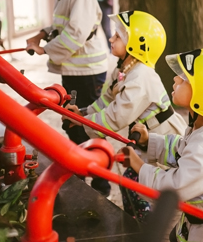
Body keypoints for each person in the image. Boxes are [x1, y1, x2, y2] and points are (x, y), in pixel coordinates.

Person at [120, 48, 203, 242]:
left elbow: (174, 188)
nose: (175, 80)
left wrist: (139, 166)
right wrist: (150, 141)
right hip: (199, 220)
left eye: (184, 79)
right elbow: (180, 148)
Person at [63, 10, 187, 200]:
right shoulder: (124, 69)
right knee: (134, 183)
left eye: (118, 36)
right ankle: (142, 220)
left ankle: (149, 224)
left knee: (149, 187)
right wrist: (81, 112)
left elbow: (115, 116)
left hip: (163, 134)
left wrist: (81, 121)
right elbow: (106, 100)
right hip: (147, 133)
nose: (111, 39)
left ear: (138, 44)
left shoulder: (140, 77)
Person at [26, 0, 108, 145]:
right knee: (72, 121)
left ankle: (99, 174)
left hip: (86, 72)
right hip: (76, 69)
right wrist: (42, 34)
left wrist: (44, 48)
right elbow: (62, 23)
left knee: (85, 126)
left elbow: (76, 33)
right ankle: (82, 169)